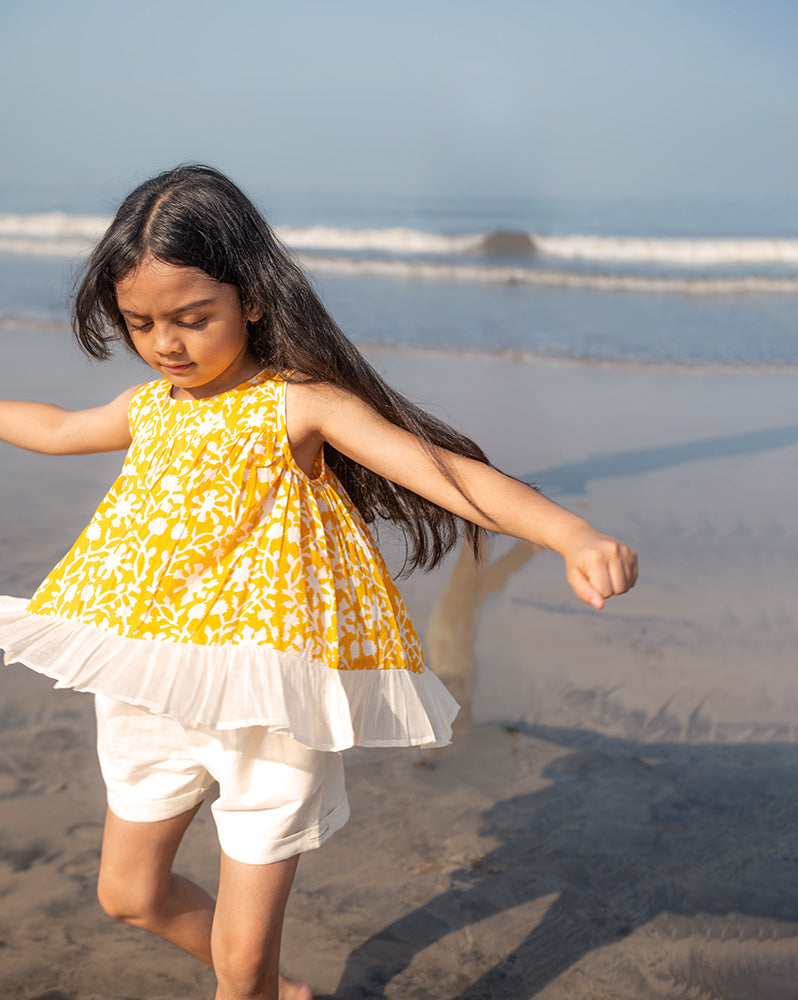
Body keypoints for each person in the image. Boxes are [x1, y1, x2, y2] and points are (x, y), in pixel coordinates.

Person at [0, 165, 637, 1000]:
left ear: (253, 299)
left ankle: (261, 991)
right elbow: (53, 428)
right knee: (129, 894)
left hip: (271, 690)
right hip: (152, 680)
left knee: (240, 970)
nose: (167, 345)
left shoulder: (297, 404)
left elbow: (444, 474)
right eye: (141, 323)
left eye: (194, 319)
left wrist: (570, 532)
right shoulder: (151, 405)